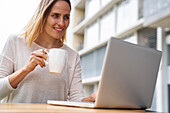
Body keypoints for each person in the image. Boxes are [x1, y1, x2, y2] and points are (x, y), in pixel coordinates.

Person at [0, 0, 96, 103]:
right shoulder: (15, 42)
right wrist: (26, 69)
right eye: (55, 15)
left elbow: (76, 99)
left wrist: (91, 99)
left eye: (66, 17)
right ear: (43, 16)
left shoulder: (73, 56)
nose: (61, 23)